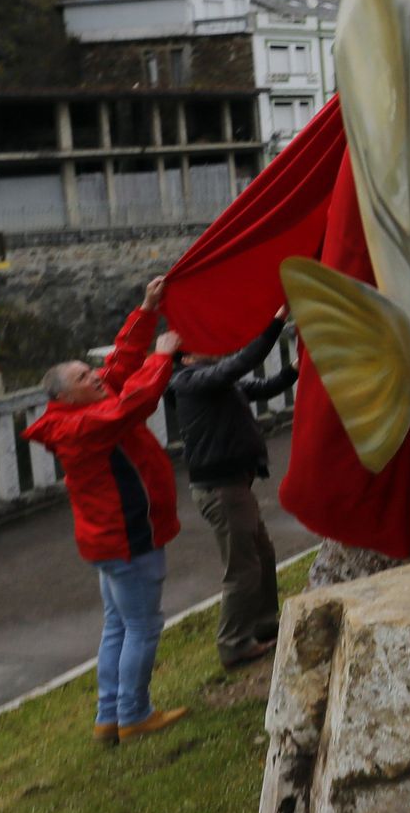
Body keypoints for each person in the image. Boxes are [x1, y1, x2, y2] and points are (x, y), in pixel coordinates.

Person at [24, 276, 188, 744]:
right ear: (64, 397)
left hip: (107, 540)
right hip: (127, 537)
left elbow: (118, 365)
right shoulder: (83, 424)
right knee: (142, 625)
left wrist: (146, 308)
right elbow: (132, 403)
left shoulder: (79, 410)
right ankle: (134, 714)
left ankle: (108, 715)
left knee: (118, 624)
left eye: (87, 370)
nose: (94, 376)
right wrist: (162, 356)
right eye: (82, 377)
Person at [167, 313, 297, 671]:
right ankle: (234, 643)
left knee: (263, 554)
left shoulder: (212, 382)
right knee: (242, 567)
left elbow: (265, 387)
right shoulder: (190, 382)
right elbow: (242, 363)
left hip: (233, 485)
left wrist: (297, 366)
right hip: (221, 489)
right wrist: (276, 321)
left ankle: (263, 623)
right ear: (186, 358)